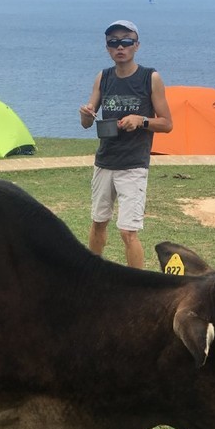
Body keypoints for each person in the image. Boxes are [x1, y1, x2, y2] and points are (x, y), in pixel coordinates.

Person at [78, 20, 172, 268]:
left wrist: (140, 120)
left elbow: (167, 123)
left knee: (128, 232)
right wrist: (86, 114)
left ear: (136, 45)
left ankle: (137, 288)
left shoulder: (150, 78)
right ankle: (93, 276)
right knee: (98, 222)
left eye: (126, 41)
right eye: (113, 42)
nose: (120, 46)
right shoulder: (103, 77)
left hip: (133, 165)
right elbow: (87, 122)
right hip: (105, 161)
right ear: (107, 48)